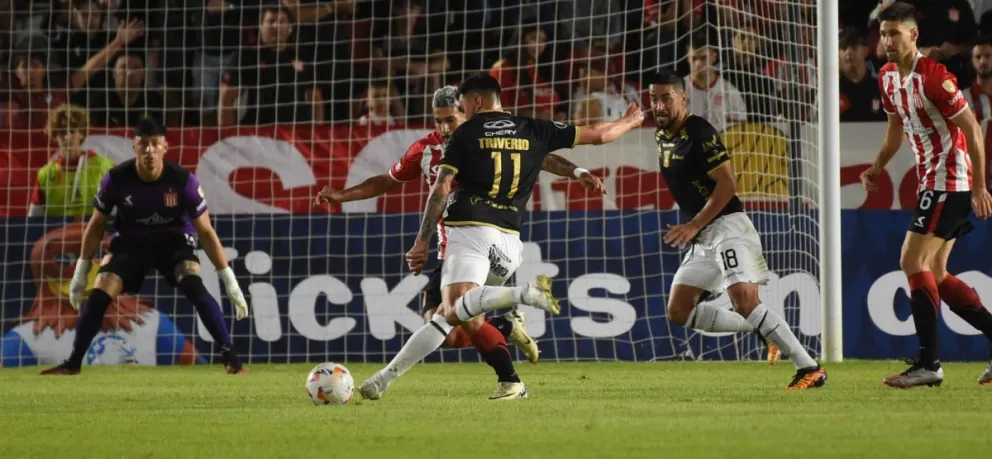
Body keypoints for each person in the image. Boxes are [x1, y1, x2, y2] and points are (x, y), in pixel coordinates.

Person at [359, 74, 644, 401]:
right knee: (453, 318)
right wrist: (628, 122)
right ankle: (394, 379)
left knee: (452, 311)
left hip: (469, 232)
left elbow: (441, 188)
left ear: (475, 102)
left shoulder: (463, 133)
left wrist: (422, 239)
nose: (461, 111)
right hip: (509, 245)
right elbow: (598, 135)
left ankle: (523, 294)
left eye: (463, 104)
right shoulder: (534, 128)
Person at [314, 86, 606, 367]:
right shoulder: (426, 149)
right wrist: (343, 195)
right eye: (438, 121)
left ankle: (510, 371)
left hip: (481, 241)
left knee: (455, 320)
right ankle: (506, 326)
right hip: (448, 249)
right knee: (449, 334)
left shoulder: (488, 140)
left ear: (466, 113)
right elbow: (387, 180)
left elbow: (542, 157)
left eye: (450, 120)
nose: (443, 128)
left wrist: (577, 172)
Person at [648, 71, 827, 390]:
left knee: (745, 299)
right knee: (679, 309)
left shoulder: (699, 132)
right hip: (703, 237)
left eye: (666, 98)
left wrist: (693, 224)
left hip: (727, 227)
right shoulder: (661, 136)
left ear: (683, 99)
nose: (659, 105)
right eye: (654, 98)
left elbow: (728, 184)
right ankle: (760, 330)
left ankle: (809, 367)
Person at [40, 117, 250, 375]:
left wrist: (229, 280)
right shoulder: (116, 179)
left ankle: (230, 355)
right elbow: (95, 226)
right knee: (98, 297)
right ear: (134, 147)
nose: (149, 150)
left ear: (165, 147)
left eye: (155, 144)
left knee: (193, 284)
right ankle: (73, 362)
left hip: (174, 241)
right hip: (131, 243)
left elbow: (205, 232)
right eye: (143, 144)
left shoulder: (184, 181)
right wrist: (80, 272)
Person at [861, 2, 992, 387]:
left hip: (949, 181)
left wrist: (980, 186)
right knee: (935, 271)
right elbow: (895, 130)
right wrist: (878, 165)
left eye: (894, 33)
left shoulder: (934, 77)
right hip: (929, 181)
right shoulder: (886, 76)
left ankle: (928, 364)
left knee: (911, 260)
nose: (886, 40)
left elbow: (973, 129)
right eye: (883, 33)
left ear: (913, 35)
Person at [28, 104, 115, 217]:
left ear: (82, 133)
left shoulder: (105, 167)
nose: (67, 137)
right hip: (56, 233)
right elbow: (33, 220)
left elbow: (117, 212)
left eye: (72, 131)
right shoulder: (45, 174)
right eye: (62, 132)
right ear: (55, 136)